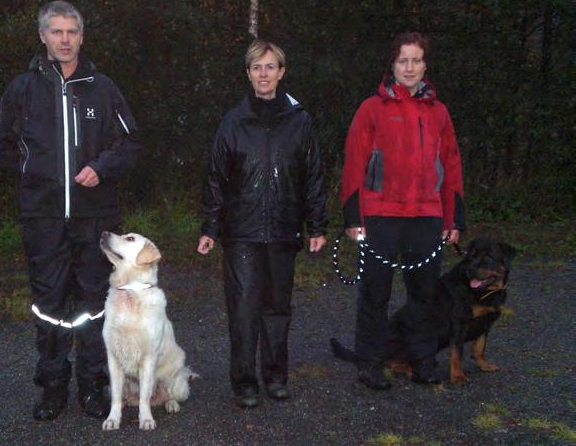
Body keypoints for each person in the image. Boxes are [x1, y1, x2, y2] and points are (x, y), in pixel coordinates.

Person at [0, 1, 141, 420]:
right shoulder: (24, 88)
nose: (65, 39)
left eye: (72, 31)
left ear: (81, 36)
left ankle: (93, 387)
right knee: (50, 304)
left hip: (95, 219)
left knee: (94, 303)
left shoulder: (103, 87)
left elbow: (130, 142)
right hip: (44, 217)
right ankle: (53, 385)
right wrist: (38, 171)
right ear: (43, 36)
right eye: (56, 31)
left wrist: (101, 168)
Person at [197, 39, 328, 408]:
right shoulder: (233, 122)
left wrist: (316, 225)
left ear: (282, 72)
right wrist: (210, 227)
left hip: (284, 230)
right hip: (242, 233)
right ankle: (244, 382)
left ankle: (275, 376)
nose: (264, 74)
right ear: (248, 74)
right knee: (242, 310)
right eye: (257, 67)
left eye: (270, 67)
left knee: (277, 309)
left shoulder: (299, 121)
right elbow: (215, 177)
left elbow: (313, 176)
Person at [340, 31, 465, 390]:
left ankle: (423, 360)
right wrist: (353, 217)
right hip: (380, 215)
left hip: (426, 217)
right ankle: (370, 363)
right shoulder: (371, 109)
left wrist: (453, 217)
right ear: (392, 65)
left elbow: (451, 165)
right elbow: (354, 163)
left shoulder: (439, 112)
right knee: (375, 294)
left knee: (425, 295)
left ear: (425, 65)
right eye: (402, 60)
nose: (409, 67)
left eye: (416, 60)